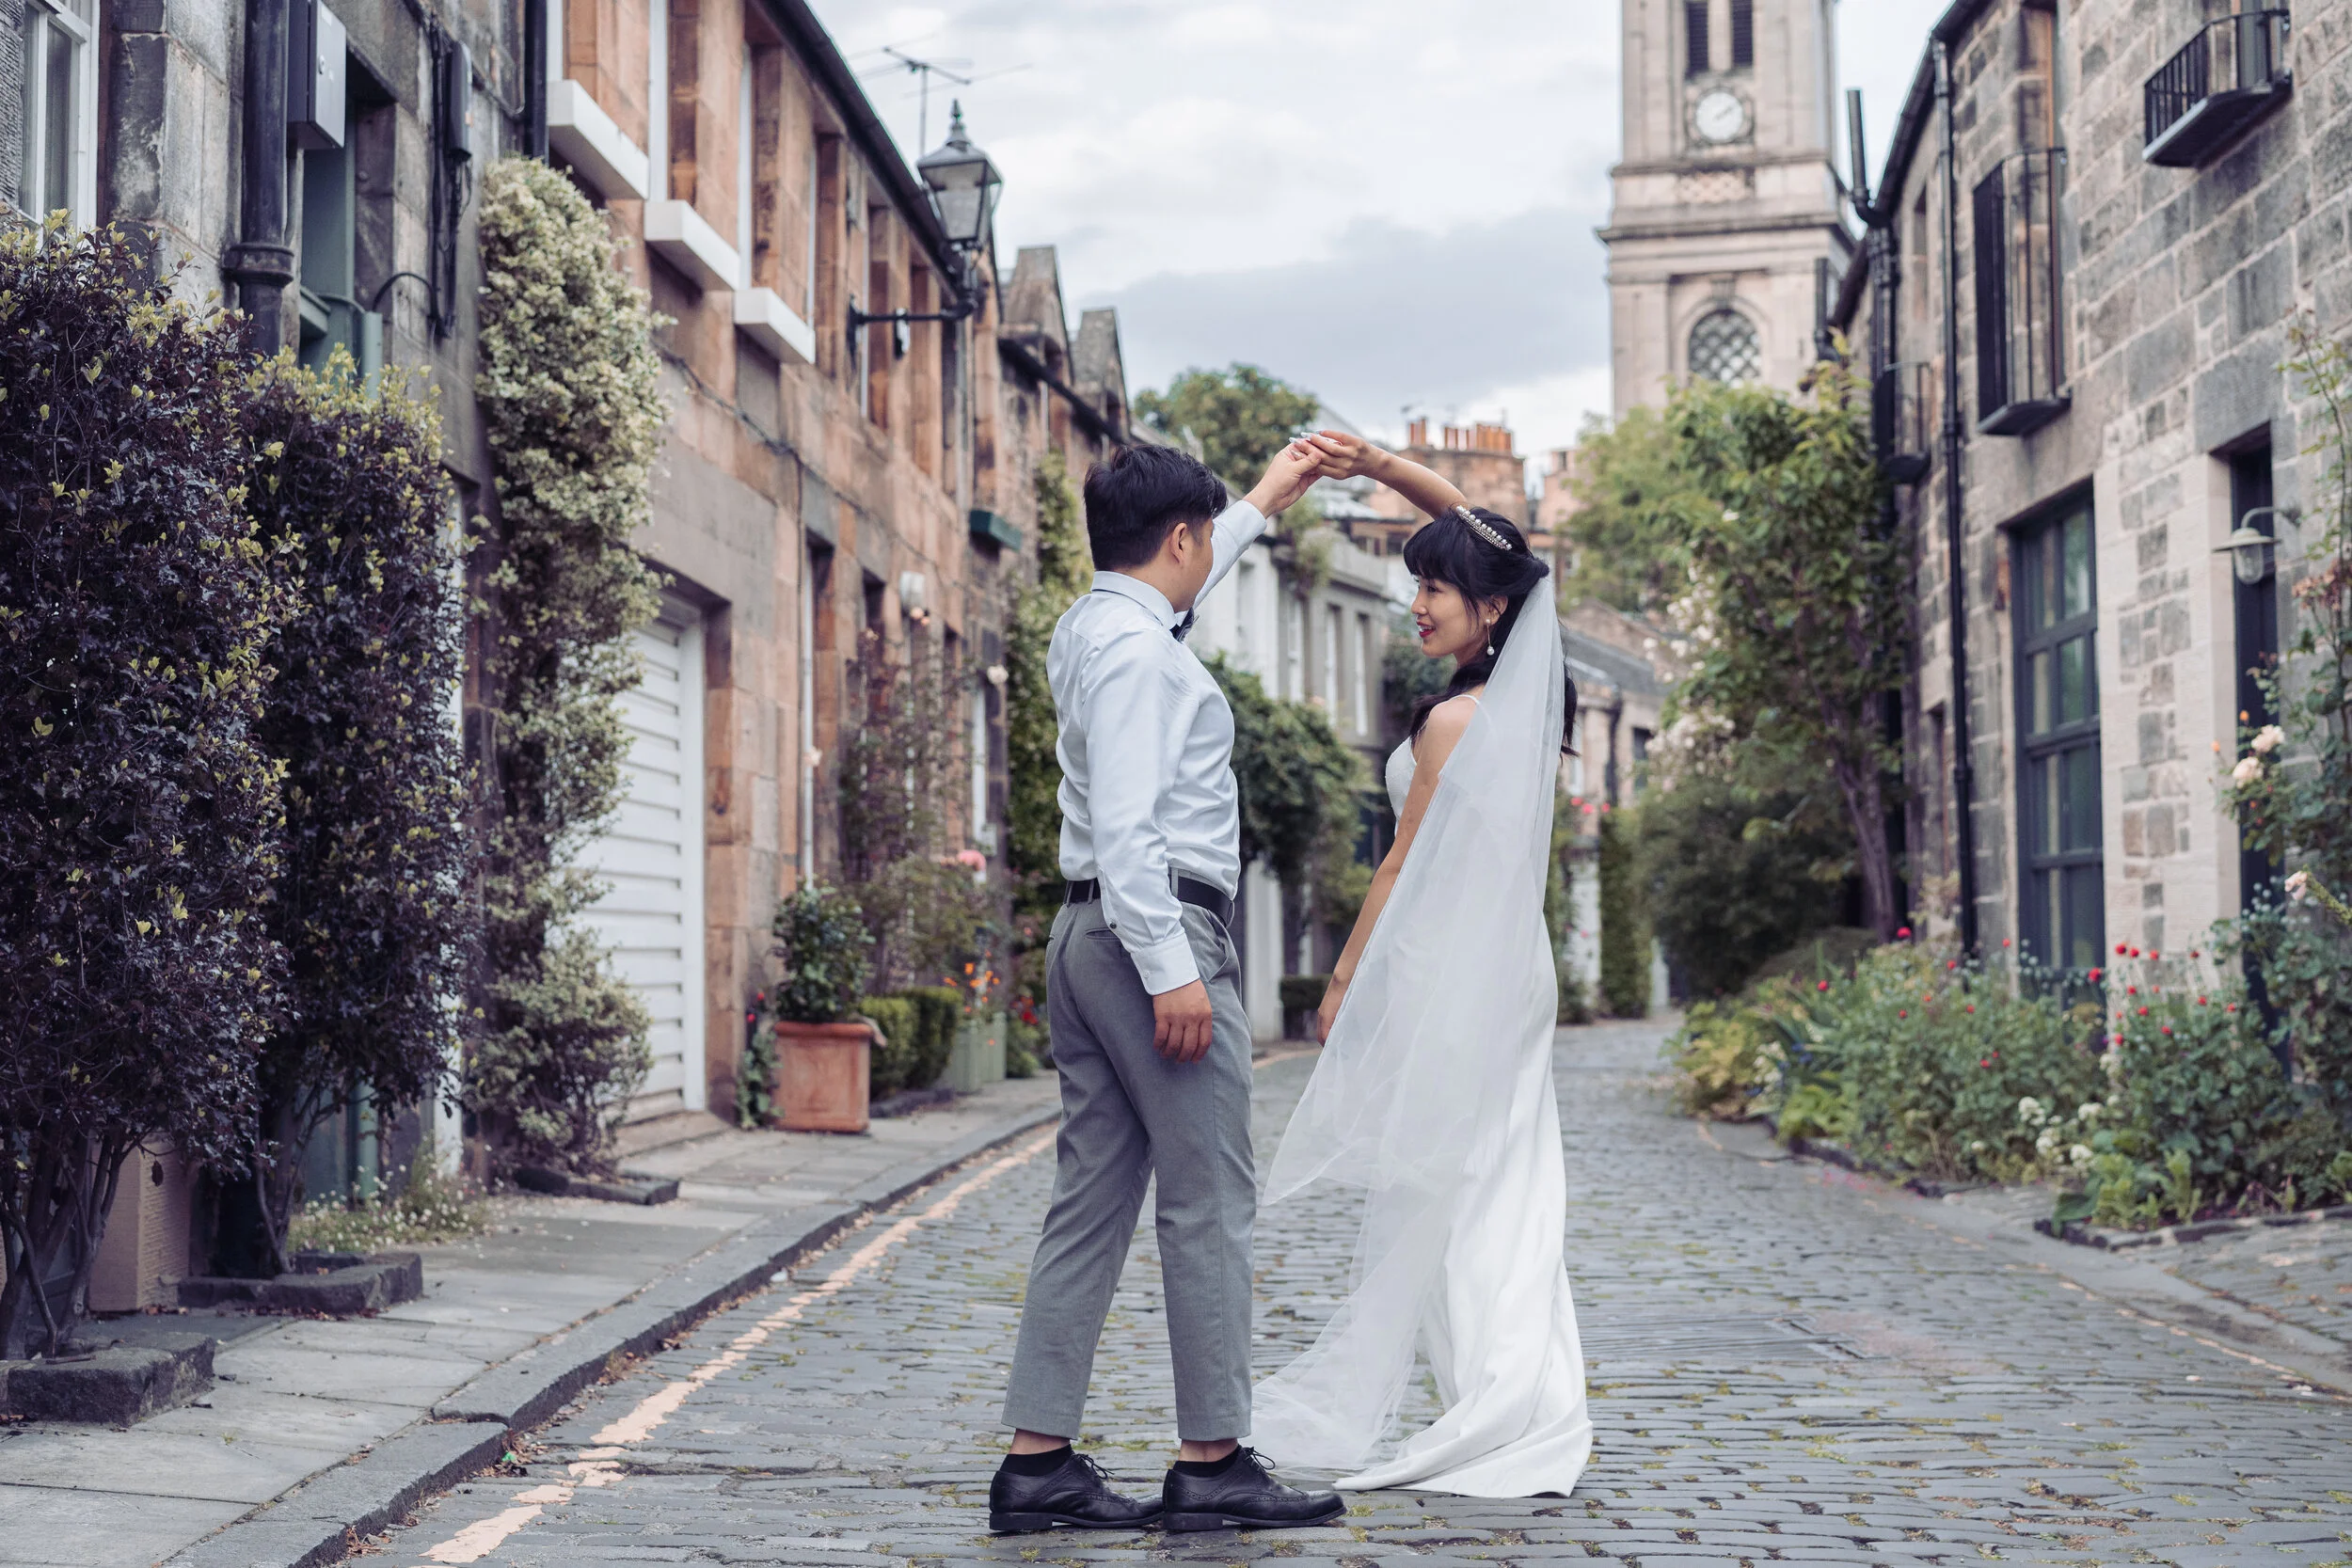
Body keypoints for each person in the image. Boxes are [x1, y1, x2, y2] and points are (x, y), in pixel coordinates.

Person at [990, 438, 1350, 1535]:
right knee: (1207, 1200)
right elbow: (1138, 827)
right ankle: (1214, 1460)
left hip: (1081, 931)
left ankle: (1037, 1463)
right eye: (1205, 536)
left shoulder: (1094, 627)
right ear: (1179, 539)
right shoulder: (1143, 660)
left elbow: (1169, 598)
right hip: (1154, 930)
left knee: (1091, 1199)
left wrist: (1264, 499)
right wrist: (1174, 971)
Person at [1250, 431, 1592, 1498]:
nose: (1418, 604)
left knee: (1458, 1183)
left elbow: (1397, 862)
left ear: (1487, 607)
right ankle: (1516, 1390)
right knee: (1500, 1179)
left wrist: (1344, 980)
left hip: (1459, 968)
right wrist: (1384, 468)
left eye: (1435, 587)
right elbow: (1497, 547)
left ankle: (1500, 1398)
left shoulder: (1455, 718)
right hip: (1507, 964)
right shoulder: (1526, 696)